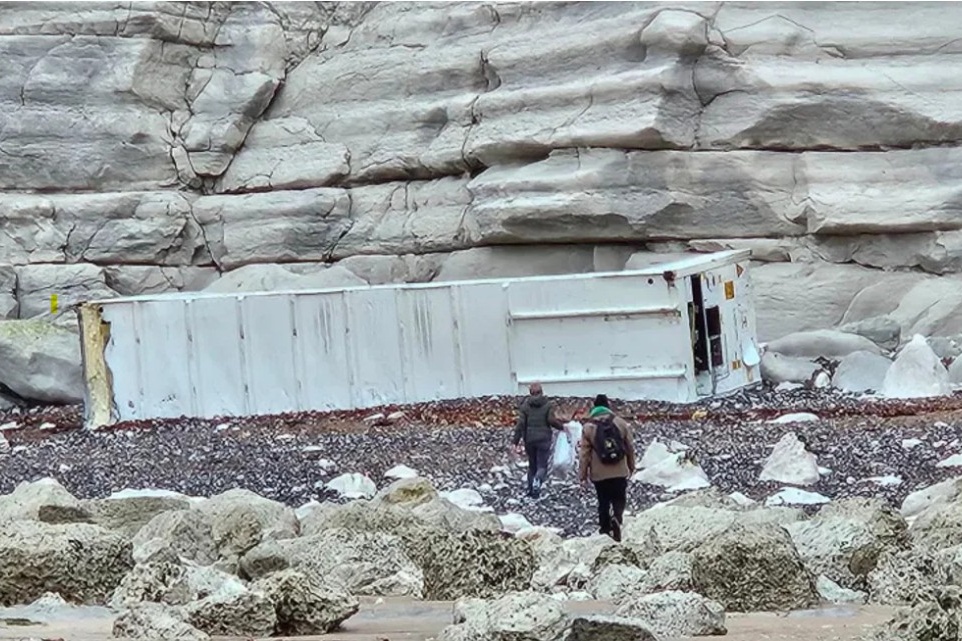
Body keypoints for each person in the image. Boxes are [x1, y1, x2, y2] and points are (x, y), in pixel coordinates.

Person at [578, 402, 636, 542]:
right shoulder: (620, 423)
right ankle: (617, 518)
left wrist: (582, 476)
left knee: (603, 501)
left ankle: (604, 529)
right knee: (619, 498)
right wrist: (631, 466)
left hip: (599, 474)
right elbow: (629, 447)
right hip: (619, 470)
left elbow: (584, 454)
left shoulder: (588, 428)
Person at [512, 382, 566, 499]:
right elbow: (551, 420)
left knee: (532, 466)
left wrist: (515, 442)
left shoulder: (525, 406)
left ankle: (531, 490)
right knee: (542, 465)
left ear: (530, 393)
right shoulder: (548, 404)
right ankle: (538, 480)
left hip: (529, 439)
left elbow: (521, 424)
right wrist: (562, 427)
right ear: (541, 392)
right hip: (544, 439)